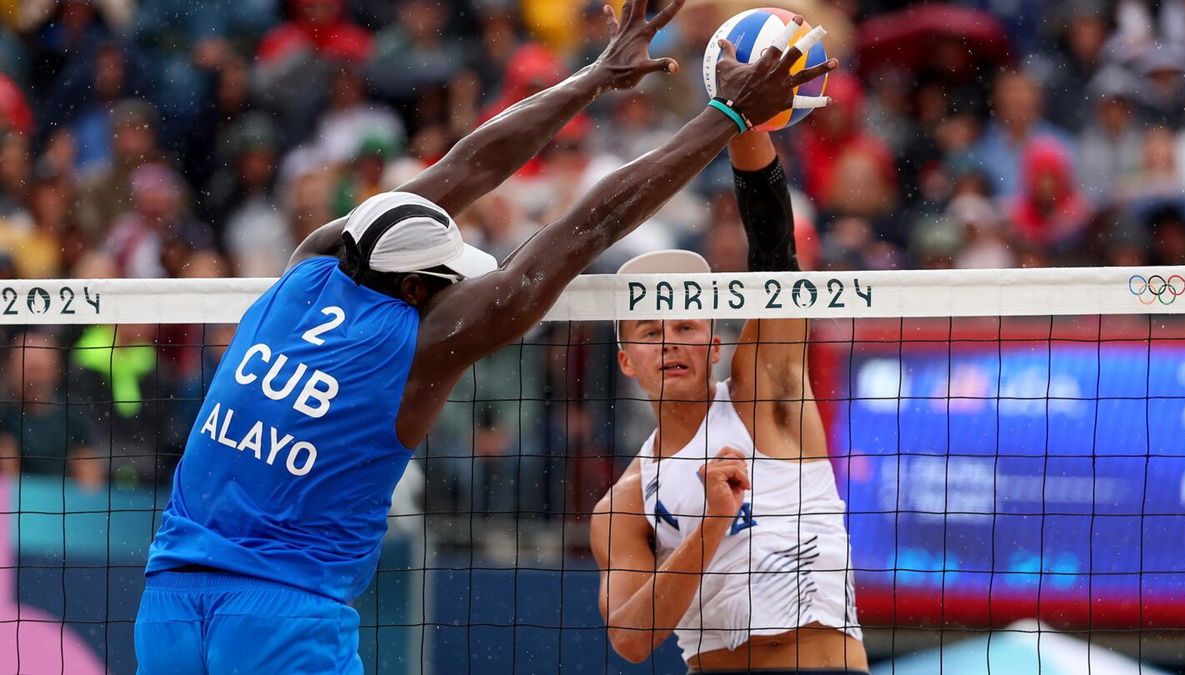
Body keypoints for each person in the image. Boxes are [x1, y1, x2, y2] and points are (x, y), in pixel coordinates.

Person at [132, 2, 837, 671]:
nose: (454, 288)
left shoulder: (311, 264)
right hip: (281, 618)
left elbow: (466, 167)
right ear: (414, 288)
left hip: (166, 601)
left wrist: (594, 77)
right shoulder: (418, 346)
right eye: (445, 279)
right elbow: (587, 225)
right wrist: (724, 115)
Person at [589, 128, 867, 673]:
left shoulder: (759, 397)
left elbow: (775, 255)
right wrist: (714, 522)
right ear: (626, 361)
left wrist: (748, 125)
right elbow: (629, 639)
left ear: (715, 345)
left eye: (686, 326)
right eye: (650, 332)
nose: (669, 342)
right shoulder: (622, 503)